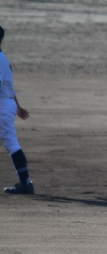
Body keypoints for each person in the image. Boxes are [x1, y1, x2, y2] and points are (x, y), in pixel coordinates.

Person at [0, 26, 34, 195]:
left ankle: (26, 183)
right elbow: (8, 86)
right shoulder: (2, 58)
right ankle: (26, 183)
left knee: (11, 143)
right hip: (6, 103)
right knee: (11, 143)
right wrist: (17, 106)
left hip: (2, 106)